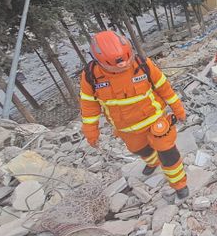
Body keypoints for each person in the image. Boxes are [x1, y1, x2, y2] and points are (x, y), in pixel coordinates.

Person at [80, 31, 189, 199]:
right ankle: (152, 162)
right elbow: (88, 106)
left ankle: (179, 184)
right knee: (140, 149)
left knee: (168, 152)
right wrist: (91, 131)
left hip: (155, 120)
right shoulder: (91, 76)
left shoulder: (142, 65)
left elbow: (164, 88)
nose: (124, 65)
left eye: (126, 59)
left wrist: (178, 108)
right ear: (98, 60)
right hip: (127, 129)